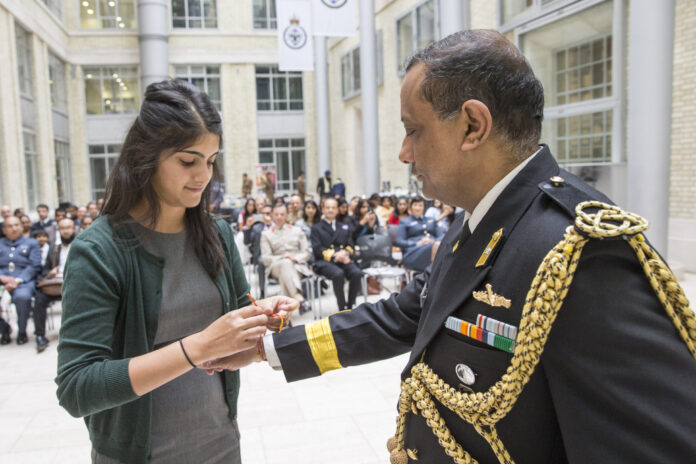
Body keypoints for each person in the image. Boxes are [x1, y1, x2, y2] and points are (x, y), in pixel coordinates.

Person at [248, 30, 696, 463]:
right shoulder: (480, 217)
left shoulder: (582, 255)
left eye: (413, 130)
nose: (404, 153)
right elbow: (411, 313)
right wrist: (270, 346)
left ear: (472, 126)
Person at [55, 79, 296, 464]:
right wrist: (197, 347)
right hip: (137, 455)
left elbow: (234, 339)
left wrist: (262, 320)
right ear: (146, 156)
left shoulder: (217, 234)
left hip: (220, 444)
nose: (203, 175)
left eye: (211, 161)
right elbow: (77, 387)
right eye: (188, 161)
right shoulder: (99, 251)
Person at [34, 218, 77, 353]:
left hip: (76, 285)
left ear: (74, 229)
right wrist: (50, 272)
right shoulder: (53, 248)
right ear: (59, 231)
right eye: (62, 228)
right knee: (39, 299)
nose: (66, 231)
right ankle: (40, 336)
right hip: (55, 286)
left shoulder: (82, 245)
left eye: (68, 227)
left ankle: (76, 335)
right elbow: (45, 270)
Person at [310, 197, 361, 310]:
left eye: (333, 208)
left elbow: (350, 245)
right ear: (323, 210)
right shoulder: (316, 228)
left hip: (343, 259)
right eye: (328, 207)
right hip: (324, 262)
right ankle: (342, 308)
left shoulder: (343, 226)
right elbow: (317, 249)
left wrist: (345, 253)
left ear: (337, 210)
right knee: (338, 274)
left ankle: (350, 306)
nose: (330, 210)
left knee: (357, 272)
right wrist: (335, 255)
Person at [260, 203, 312, 314]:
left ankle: (284, 316)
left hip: (297, 267)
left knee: (285, 274)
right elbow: (265, 258)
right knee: (285, 263)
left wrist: (294, 258)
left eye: (282, 214)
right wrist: (282, 257)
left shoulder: (297, 230)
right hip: (275, 267)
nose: (279, 217)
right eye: (276, 214)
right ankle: (299, 299)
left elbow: (307, 252)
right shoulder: (266, 234)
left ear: (287, 216)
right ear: (272, 216)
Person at [0, 216, 41, 346]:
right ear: (4, 230)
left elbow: (34, 265)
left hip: (23, 282)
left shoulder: (32, 243)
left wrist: (18, 280)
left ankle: (22, 332)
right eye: (10, 226)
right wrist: (1, 277)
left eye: (16, 225)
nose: (14, 228)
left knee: (22, 297)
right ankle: (4, 329)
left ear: (22, 227)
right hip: (2, 281)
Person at [397, 196, 442, 271]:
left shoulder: (432, 220)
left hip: (433, 247)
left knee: (440, 245)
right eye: (415, 205)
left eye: (420, 205)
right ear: (411, 207)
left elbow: (441, 236)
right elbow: (400, 241)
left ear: (424, 208)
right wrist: (417, 243)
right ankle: (435, 275)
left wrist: (433, 241)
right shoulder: (404, 221)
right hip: (413, 252)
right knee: (438, 247)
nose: (417, 208)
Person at [244, 204, 273, 297]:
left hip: (277, 255)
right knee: (261, 261)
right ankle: (262, 292)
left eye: (267, 213)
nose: (265, 216)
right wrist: (247, 227)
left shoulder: (278, 226)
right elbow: (247, 242)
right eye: (263, 214)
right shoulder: (257, 228)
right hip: (261, 256)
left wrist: (271, 224)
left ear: (273, 214)